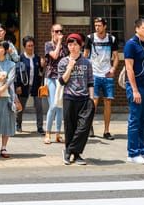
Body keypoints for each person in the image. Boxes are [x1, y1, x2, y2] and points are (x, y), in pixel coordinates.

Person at [58, 33, 94, 165]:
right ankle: (75, 154)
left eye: (75, 44)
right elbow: (62, 81)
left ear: (81, 45)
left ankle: (70, 150)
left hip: (84, 98)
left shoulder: (87, 62)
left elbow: (90, 81)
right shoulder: (63, 62)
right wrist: (70, 67)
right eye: (70, 44)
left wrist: (91, 99)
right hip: (69, 97)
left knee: (83, 128)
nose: (72, 47)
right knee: (70, 127)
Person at [124, 18, 144, 164]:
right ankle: (133, 153)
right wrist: (134, 90)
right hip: (135, 87)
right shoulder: (131, 44)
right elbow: (129, 68)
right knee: (135, 120)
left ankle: (143, 150)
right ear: (137, 29)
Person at [83, 17, 119, 140]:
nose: (97, 27)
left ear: (105, 26)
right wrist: (87, 71)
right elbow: (85, 55)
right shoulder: (90, 38)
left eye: (99, 25)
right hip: (94, 74)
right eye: (95, 25)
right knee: (94, 101)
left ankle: (106, 130)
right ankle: (89, 127)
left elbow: (116, 56)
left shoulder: (111, 39)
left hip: (107, 73)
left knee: (108, 101)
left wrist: (113, 69)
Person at [0, 40, 20, 159]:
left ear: (6, 50)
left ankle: (4, 147)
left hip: (6, 96)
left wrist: (1, 89)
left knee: (6, 122)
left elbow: (10, 80)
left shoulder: (11, 64)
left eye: (1, 47)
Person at [15, 36, 44, 134]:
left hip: (36, 85)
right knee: (21, 107)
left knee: (39, 107)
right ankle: (18, 124)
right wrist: (18, 86)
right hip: (24, 86)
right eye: (28, 46)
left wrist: (43, 65)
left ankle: (40, 127)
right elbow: (17, 73)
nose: (31, 47)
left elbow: (41, 72)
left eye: (32, 45)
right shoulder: (20, 58)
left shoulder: (37, 58)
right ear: (24, 47)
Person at [43, 24, 65, 144]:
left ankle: (58, 133)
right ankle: (47, 133)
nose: (58, 33)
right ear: (52, 32)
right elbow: (55, 55)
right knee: (52, 105)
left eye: (60, 31)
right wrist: (59, 43)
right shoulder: (48, 45)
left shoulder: (65, 47)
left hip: (61, 79)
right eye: (56, 31)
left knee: (60, 106)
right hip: (51, 77)